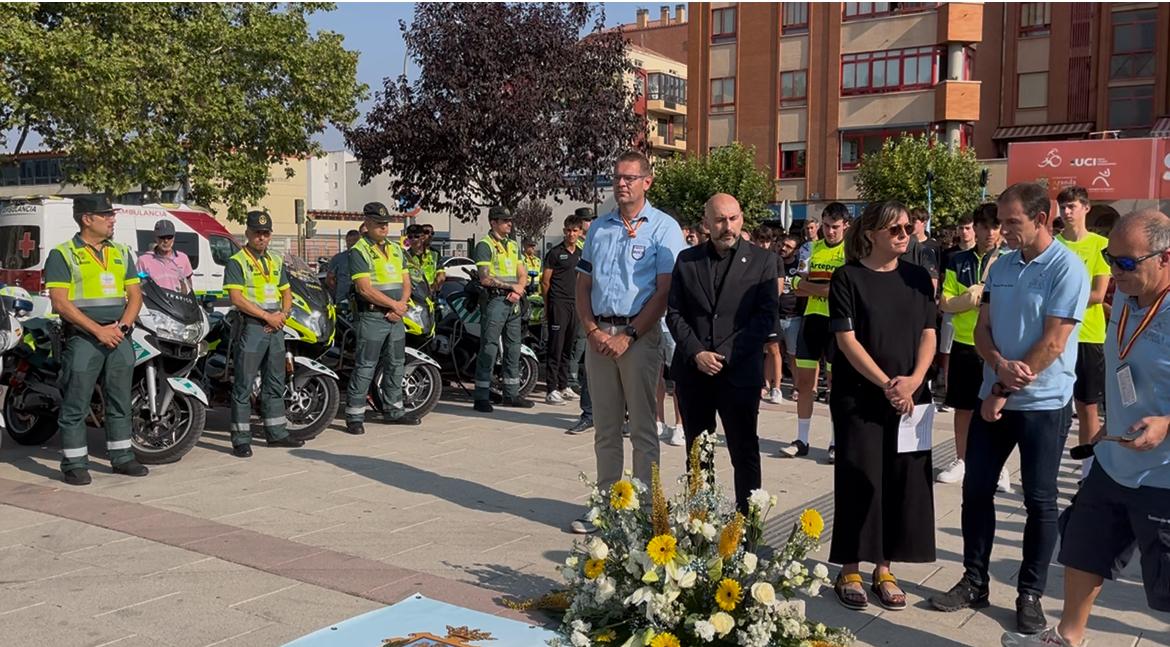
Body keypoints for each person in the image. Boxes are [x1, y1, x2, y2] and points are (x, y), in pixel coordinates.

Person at [1002, 210, 1170, 647]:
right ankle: (1068, 637)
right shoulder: (1128, 302)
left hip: (1163, 476)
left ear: (1165, 257)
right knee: (1082, 548)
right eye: (1111, 260)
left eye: (1126, 263)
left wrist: (1168, 422)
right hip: (1114, 461)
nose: (1115, 272)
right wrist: (1106, 428)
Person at [931, 183, 1090, 636]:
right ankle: (974, 580)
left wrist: (1001, 387)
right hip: (994, 393)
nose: (1002, 230)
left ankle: (1030, 593)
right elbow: (982, 327)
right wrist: (996, 363)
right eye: (1001, 222)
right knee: (976, 490)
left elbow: (1055, 342)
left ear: (1042, 219)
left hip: (1042, 403)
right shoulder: (1001, 265)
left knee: (1039, 500)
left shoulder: (1067, 268)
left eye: (1012, 222)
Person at [828, 200, 937, 613]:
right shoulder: (847, 277)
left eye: (908, 228)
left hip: (910, 399)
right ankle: (851, 568)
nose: (904, 235)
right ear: (871, 233)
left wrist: (914, 381)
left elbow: (929, 332)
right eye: (895, 230)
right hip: (860, 397)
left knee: (899, 480)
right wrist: (888, 384)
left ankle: (884, 568)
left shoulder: (917, 279)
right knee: (861, 478)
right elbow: (846, 340)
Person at [571, 149, 686, 533]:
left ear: (647, 182)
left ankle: (644, 510)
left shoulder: (664, 228)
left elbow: (665, 291)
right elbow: (583, 285)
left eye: (629, 178)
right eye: (617, 177)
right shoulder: (599, 228)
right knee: (605, 428)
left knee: (642, 429)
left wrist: (631, 334)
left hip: (639, 337)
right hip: (600, 336)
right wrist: (592, 331)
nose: (621, 184)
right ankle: (606, 506)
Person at [667, 193, 778, 513]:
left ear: (741, 219)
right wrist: (697, 353)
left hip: (739, 373)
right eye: (719, 220)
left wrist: (725, 354)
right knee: (698, 452)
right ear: (706, 223)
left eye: (732, 218)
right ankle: (702, 522)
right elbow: (674, 313)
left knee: (744, 451)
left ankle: (748, 524)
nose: (727, 226)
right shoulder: (687, 261)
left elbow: (764, 317)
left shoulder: (763, 262)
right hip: (694, 373)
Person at [45, 196, 148, 485]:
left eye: (112, 215)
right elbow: (60, 303)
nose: (112, 220)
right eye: (106, 216)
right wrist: (98, 330)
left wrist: (123, 328)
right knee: (75, 402)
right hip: (84, 339)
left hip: (119, 337)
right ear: (86, 219)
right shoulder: (63, 254)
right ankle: (75, 463)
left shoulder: (120, 252)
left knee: (120, 401)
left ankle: (122, 456)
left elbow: (135, 295)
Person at [937, 205, 1012, 492]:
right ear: (975, 228)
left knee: (995, 407)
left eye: (996, 226)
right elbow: (945, 302)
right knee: (963, 406)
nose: (991, 232)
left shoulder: (1009, 259)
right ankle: (961, 460)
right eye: (985, 226)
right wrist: (967, 300)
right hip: (963, 342)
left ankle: (999, 465)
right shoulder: (958, 260)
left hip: (996, 344)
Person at [222, 211, 306, 458]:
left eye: (266, 233)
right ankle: (241, 439)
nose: (261, 237)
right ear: (247, 233)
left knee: (275, 381)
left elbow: (287, 292)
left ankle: (276, 432)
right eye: (257, 233)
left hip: (276, 326)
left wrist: (283, 314)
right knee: (244, 384)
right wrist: (267, 317)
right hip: (252, 326)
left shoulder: (276, 260)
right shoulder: (237, 261)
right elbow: (236, 298)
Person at [782, 203, 849, 462]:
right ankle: (802, 439)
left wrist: (814, 286)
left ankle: (835, 442)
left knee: (835, 386)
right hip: (811, 320)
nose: (830, 232)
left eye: (835, 227)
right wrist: (822, 288)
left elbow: (841, 291)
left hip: (838, 324)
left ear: (845, 226)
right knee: (804, 383)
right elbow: (796, 286)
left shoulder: (849, 252)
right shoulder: (812, 248)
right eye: (826, 226)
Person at [344, 202, 417, 434]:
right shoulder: (359, 250)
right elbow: (364, 289)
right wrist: (394, 305)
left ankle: (394, 410)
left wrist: (401, 305)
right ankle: (355, 415)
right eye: (378, 224)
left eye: (386, 224)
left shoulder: (396, 249)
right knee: (366, 365)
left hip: (395, 317)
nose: (384, 228)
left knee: (396, 363)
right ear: (367, 224)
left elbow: (406, 282)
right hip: (373, 316)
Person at [1055, 186, 1110, 477]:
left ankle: (1088, 470)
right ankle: (1048, 462)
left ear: (1086, 208)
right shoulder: (1053, 244)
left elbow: (1099, 294)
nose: (1066, 212)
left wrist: (1061, 298)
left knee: (1088, 406)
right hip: (1057, 336)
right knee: (1057, 403)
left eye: (1072, 206)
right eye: (1063, 206)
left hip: (1089, 335)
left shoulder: (1101, 244)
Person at [472, 206, 534, 412]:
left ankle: (512, 393)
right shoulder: (485, 245)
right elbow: (485, 277)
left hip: (513, 301)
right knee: (489, 347)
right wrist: (510, 287)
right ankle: (481, 395)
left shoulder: (513, 245)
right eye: (505, 220)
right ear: (493, 222)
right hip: (495, 301)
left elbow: (522, 273)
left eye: (510, 220)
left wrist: (518, 290)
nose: (509, 224)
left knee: (513, 347)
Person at [542, 215, 584, 405]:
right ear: (564, 231)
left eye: (575, 231)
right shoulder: (555, 253)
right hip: (558, 303)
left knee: (569, 345)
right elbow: (545, 281)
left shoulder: (581, 253)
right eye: (568, 230)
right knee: (556, 346)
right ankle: (551, 389)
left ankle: (563, 385)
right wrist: (547, 305)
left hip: (574, 304)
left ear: (580, 232)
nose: (571, 234)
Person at [567, 207, 596, 435]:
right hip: (593, 313)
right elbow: (581, 281)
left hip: (617, 312)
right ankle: (588, 415)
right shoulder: (586, 245)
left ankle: (625, 416)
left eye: (589, 220)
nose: (588, 224)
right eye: (585, 221)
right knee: (590, 366)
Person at [776, 234, 804, 400]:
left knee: (793, 355)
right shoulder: (773, 263)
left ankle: (797, 386)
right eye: (781, 244)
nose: (783, 248)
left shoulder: (799, 266)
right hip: (775, 314)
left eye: (788, 246)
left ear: (796, 250)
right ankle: (774, 386)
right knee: (775, 353)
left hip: (793, 316)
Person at [137, 219, 194, 293]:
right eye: (162, 237)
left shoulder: (183, 258)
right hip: (154, 303)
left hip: (177, 303)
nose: (166, 241)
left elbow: (189, 284)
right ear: (156, 238)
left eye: (169, 237)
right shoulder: (144, 260)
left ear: (174, 237)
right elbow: (137, 284)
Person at [404, 223, 445, 293]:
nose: (414, 239)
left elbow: (441, 275)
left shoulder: (434, 254)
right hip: (413, 294)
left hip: (431, 293)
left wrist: (433, 288)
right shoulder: (404, 256)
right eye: (410, 237)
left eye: (416, 236)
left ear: (422, 238)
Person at [326, 229, 362, 307]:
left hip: (362, 298)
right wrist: (338, 290)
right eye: (349, 241)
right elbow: (330, 278)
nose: (352, 243)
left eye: (355, 241)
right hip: (343, 298)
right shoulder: (338, 258)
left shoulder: (365, 257)